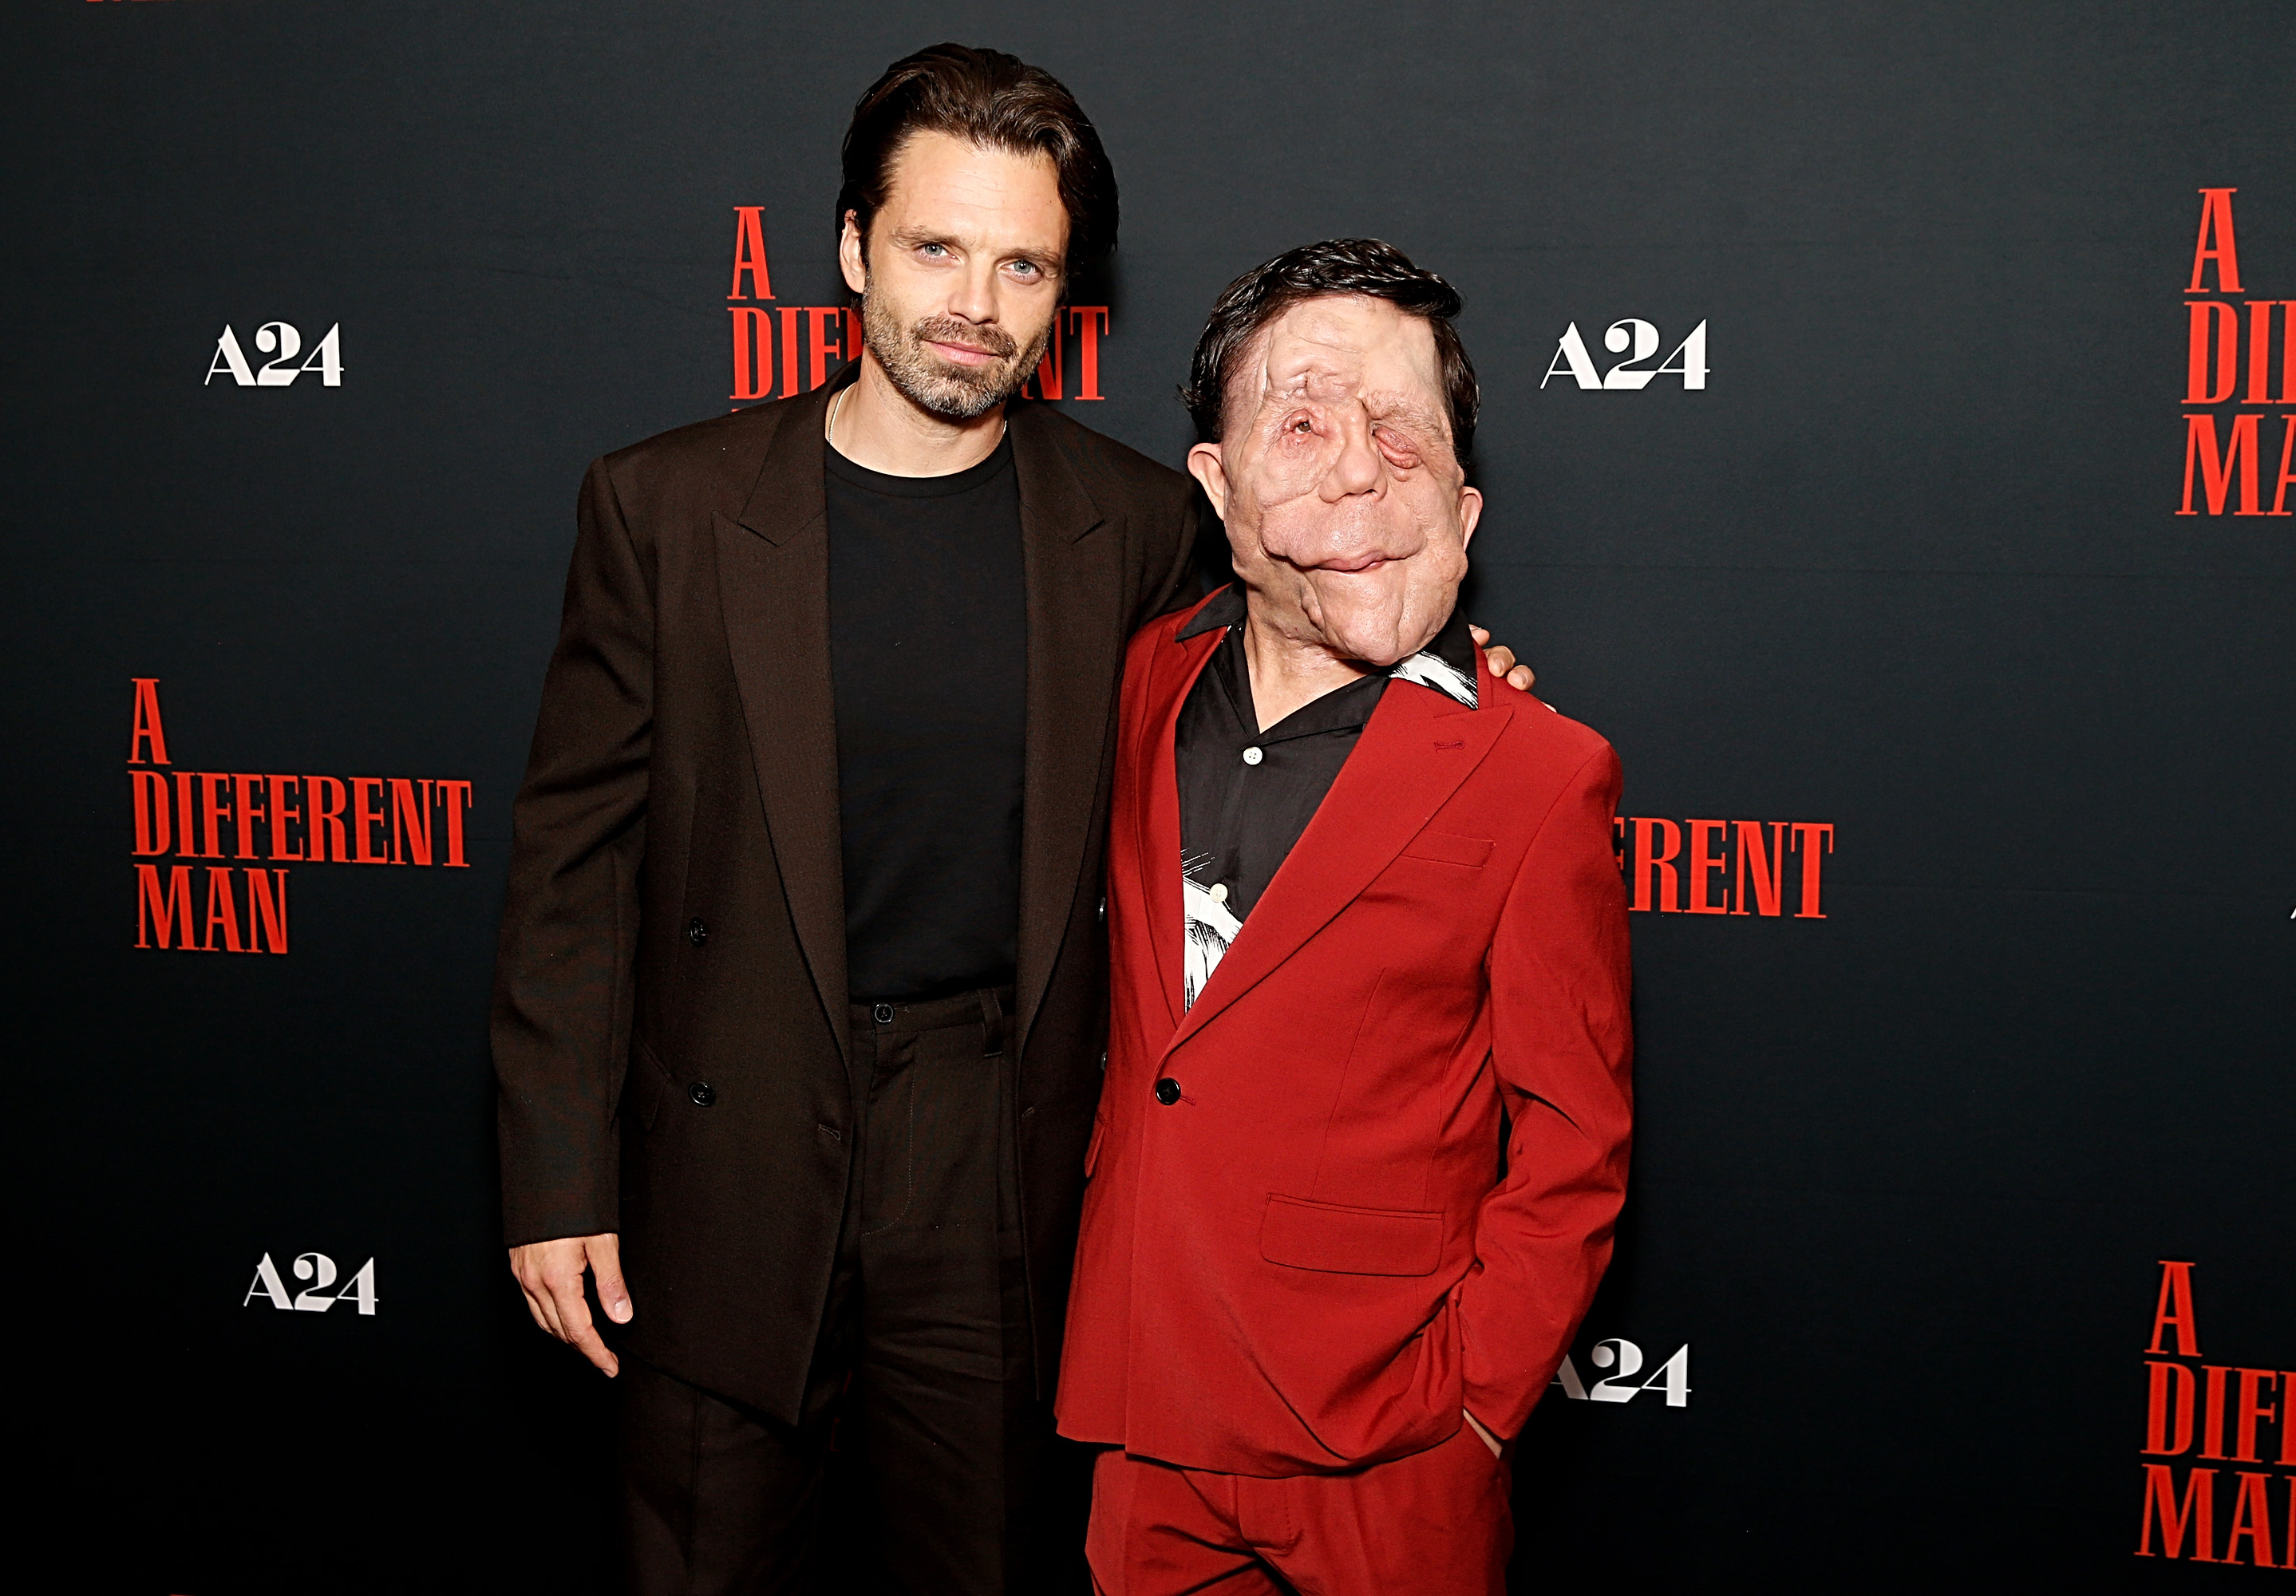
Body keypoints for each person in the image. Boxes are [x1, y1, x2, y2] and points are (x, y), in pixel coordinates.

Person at [492, 43, 1533, 1594]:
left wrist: (1449, 669)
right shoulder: (667, 509)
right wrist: (558, 1176)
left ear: (1065, 294)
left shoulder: (1138, 524)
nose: (975, 302)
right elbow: (574, 866)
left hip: (994, 1146)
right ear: (853, 249)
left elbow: (1300, 646)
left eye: (1023, 264)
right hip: (729, 1136)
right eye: (936, 248)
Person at [1056, 239, 1633, 1596]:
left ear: (1467, 509)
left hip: (1387, 1442)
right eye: (1305, 424)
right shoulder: (1133, 682)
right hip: (1142, 1410)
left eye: (1402, 432)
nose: (1362, 472)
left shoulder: (1539, 773)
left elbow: (1574, 1143)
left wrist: (1475, 1406)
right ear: (1216, 487)